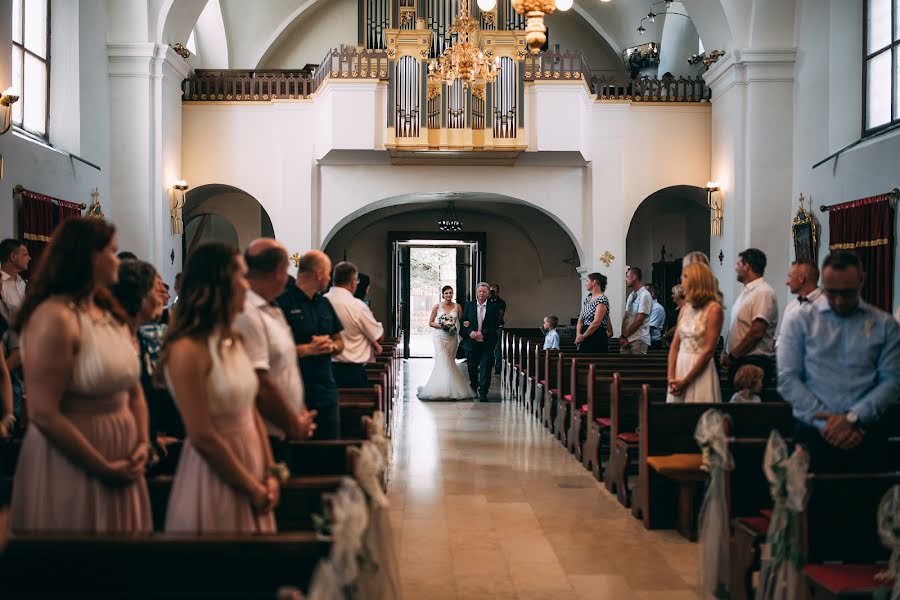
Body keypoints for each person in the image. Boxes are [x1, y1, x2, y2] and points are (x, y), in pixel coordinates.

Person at [10, 218, 152, 532]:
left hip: (124, 453)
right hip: (74, 458)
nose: (119, 260)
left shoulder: (108, 313)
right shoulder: (54, 317)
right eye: (112, 252)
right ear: (90, 256)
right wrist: (102, 466)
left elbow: (134, 390)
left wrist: (142, 443)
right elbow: (44, 412)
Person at [161, 243, 279, 532]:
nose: (246, 284)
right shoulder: (186, 349)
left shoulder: (233, 340)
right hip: (216, 471)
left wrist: (271, 472)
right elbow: (202, 437)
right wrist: (251, 487)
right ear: (219, 284)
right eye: (240, 275)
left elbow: (251, 411)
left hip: (252, 458)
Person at [777, 250, 900, 473]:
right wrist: (828, 424)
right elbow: (788, 379)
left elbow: (891, 381)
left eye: (847, 293)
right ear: (823, 283)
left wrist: (853, 418)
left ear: (861, 280)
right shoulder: (801, 322)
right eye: (832, 292)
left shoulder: (884, 325)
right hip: (813, 432)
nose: (839, 301)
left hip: (865, 433)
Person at [233, 240, 316, 443]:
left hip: (284, 428)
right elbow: (259, 383)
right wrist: (294, 424)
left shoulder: (273, 309)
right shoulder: (246, 312)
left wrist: (300, 411)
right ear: (280, 271)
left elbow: (286, 367)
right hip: (264, 433)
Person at [109, 258, 182, 463]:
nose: (162, 298)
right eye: (156, 290)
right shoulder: (115, 338)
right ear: (139, 296)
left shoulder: (136, 336)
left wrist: (149, 437)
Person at [278, 250, 345, 440]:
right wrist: (308, 349)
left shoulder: (324, 304)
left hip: (326, 390)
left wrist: (331, 346)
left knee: (329, 452)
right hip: (294, 391)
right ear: (319, 274)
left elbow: (340, 341)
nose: (329, 278)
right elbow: (273, 351)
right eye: (328, 273)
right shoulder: (282, 302)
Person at [666, 262, 724, 403]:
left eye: (685, 277)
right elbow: (674, 345)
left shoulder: (714, 309)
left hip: (700, 369)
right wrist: (671, 377)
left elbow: (709, 350)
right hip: (681, 365)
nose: (682, 282)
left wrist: (685, 381)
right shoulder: (685, 309)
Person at [722, 248, 778, 386]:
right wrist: (726, 351)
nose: (736, 268)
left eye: (738, 264)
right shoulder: (747, 292)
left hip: (753, 362)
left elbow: (756, 331)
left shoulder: (763, 292)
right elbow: (737, 326)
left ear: (747, 267)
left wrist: (733, 355)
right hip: (741, 359)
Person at [325, 261, 384, 388]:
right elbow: (378, 336)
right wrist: (378, 325)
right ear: (353, 282)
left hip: (324, 369)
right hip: (351, 371)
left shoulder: (320, 301)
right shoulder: (357, 306)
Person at [417, 285, 475, 401]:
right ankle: (440, 389)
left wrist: (457, 326)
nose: (449, 295)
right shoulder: (437, 307)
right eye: (446, 293)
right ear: (443, 294)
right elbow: (431, 323)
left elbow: (460, 322)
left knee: (450, 361)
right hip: (439, 338)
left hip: (452, 338)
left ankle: (452, 388)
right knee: (442, 360)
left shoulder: (457, 307)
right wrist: (442, 326)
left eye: (450, 293)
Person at [459, 282, 502, 401]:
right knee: (472, 367)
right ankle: (473, 387)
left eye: (484, 291)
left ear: (488, 293)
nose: (481, 293)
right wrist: (470, 332)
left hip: (487, 342)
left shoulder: (494, 307)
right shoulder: (469, 305)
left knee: (485, 367)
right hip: (471, 342)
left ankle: (483, 391)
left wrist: (483, 333)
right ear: (476, 293)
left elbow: (497, 323)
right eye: (479, 291)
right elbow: (463, 322)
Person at [778, 259, 825, 346]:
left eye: (790, 276)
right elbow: (781, 338)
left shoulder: (826, 306)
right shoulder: (791, 306)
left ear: (801, 279)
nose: (787, 282)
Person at [575, 273, 610, 353]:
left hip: (596, 335)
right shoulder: (588, 298)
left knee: (594, 362)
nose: (585, 284)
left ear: (594, 282)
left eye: (587, 281)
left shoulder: (602, 299)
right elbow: (580, 320)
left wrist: (582, 337)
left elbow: (596, 322)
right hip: (584, 334)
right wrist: (578, 335)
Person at [620, 267, 652, 355]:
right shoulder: (632, 295)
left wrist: (625, 335)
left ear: (634, 277)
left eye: (627, 277)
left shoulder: (645, 295)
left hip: (638, 339)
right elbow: (626, 316)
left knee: (637, 367)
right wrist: (623, 335)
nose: (625, 280)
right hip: (627, 338)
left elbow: (639, 320)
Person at [0, 238, 30, 321]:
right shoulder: (1, 284)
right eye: (25, 255)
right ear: (13, 257)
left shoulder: (25, 284)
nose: (29, 258)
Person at [489, 283, 506, 375]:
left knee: (497, 348)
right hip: (487, 327)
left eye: (494, 291)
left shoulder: (501, 302)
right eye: (491, 291)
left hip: (497, 327)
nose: (493, 293)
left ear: (498, 291)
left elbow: (500, 315)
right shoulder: (487, 301)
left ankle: (498, 367)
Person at [646, 284, 667, 349]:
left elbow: (651, 327)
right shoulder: (645, 307)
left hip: (653, 343)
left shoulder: (657, 308)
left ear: (651, 294)